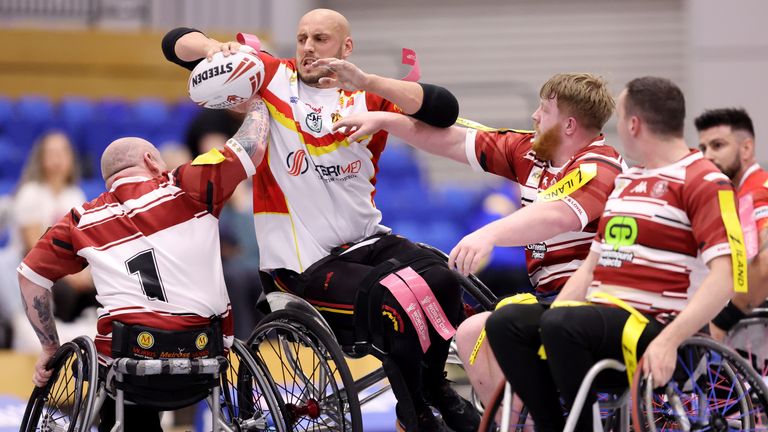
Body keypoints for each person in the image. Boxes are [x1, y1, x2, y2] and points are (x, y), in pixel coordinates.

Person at [162, 9, 473, 432]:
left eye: (321, 39)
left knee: (444, 277)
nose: (308, 47)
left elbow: (444, 110)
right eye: (303, 37)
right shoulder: (273, 76)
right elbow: (173, 43)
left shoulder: (367, 96)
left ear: (346, 48)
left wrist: (367, 81)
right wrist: (213, 49)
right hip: (299, 263)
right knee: (395, 298)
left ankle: (433, 386)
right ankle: (415, 410)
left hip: (364, 241)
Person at [333, 72, 624, 406]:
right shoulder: (530, 151)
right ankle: (517, 424)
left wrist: (489, 234)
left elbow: (557, 215)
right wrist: (385, 120)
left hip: (595, 298)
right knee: (472, 333)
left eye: (544, 110)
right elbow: (453, 140)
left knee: (503, 324)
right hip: (547, 297)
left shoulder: (599, 165)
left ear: (569, 126)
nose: (535, 116)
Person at [485, 76, 737, 431]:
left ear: (634, 124)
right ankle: (552, 425)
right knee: (508, 323)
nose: (615, 127)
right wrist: (548, 323)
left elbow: (725, 279)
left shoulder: (704, 181)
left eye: (619, 117)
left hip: (661, 328)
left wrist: (669, 341)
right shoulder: (625, 182)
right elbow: (590, 268)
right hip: (600, 319)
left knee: (562, 325)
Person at [19, 98, 270, 431]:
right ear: (152, 161)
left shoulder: (82, 219)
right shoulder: (186, 184)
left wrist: (50, 346)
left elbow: (30, 277)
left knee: (118, 382)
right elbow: (251, 146)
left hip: (132, 365)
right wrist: (260, 102)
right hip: (205, 356)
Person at [0, 131, 94, 338]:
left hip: (68, 268)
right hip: (32, 267)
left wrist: (85, 273)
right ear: (41, 158)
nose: (58, 158)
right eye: (51, 153)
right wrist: (72, 276)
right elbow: (34, 247)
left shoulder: (75, 194)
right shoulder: (30, 192)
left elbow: (82, 242)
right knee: (64, 291)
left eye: (63, 152)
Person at [695, 108, 768, 338]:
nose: (707, 156)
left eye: (718, 145)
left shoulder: (754, 194)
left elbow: (766, 262)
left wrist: (720, 324)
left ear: (746, 148)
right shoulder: (737, 194)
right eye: (703, 148)